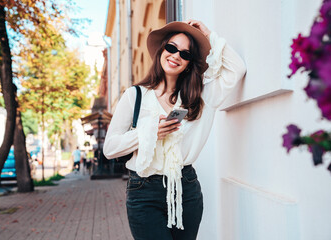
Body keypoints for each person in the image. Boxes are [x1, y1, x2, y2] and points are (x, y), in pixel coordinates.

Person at [103, 20, 246, 240]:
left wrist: (208, 35)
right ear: (161, 51)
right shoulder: (135, 96)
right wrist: (149, 133)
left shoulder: (201, 95)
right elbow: (110, 148)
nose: (176, 55)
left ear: (189, 63)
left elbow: (237, 69)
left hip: (186, 188)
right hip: (144, 191)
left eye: (185, 54)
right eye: (171, 48)